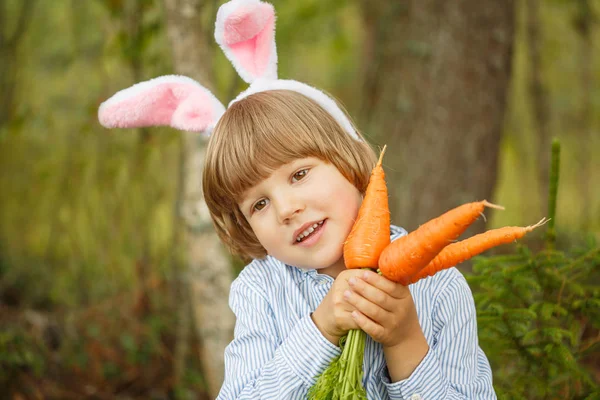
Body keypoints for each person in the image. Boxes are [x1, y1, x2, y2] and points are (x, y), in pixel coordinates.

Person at [97, 1, 496, 398]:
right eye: (259, 204)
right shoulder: (261, 291)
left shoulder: (439, 285)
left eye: (299, 175)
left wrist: (405, 340)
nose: (287, 209)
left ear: (348, 159)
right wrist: (319, 330)